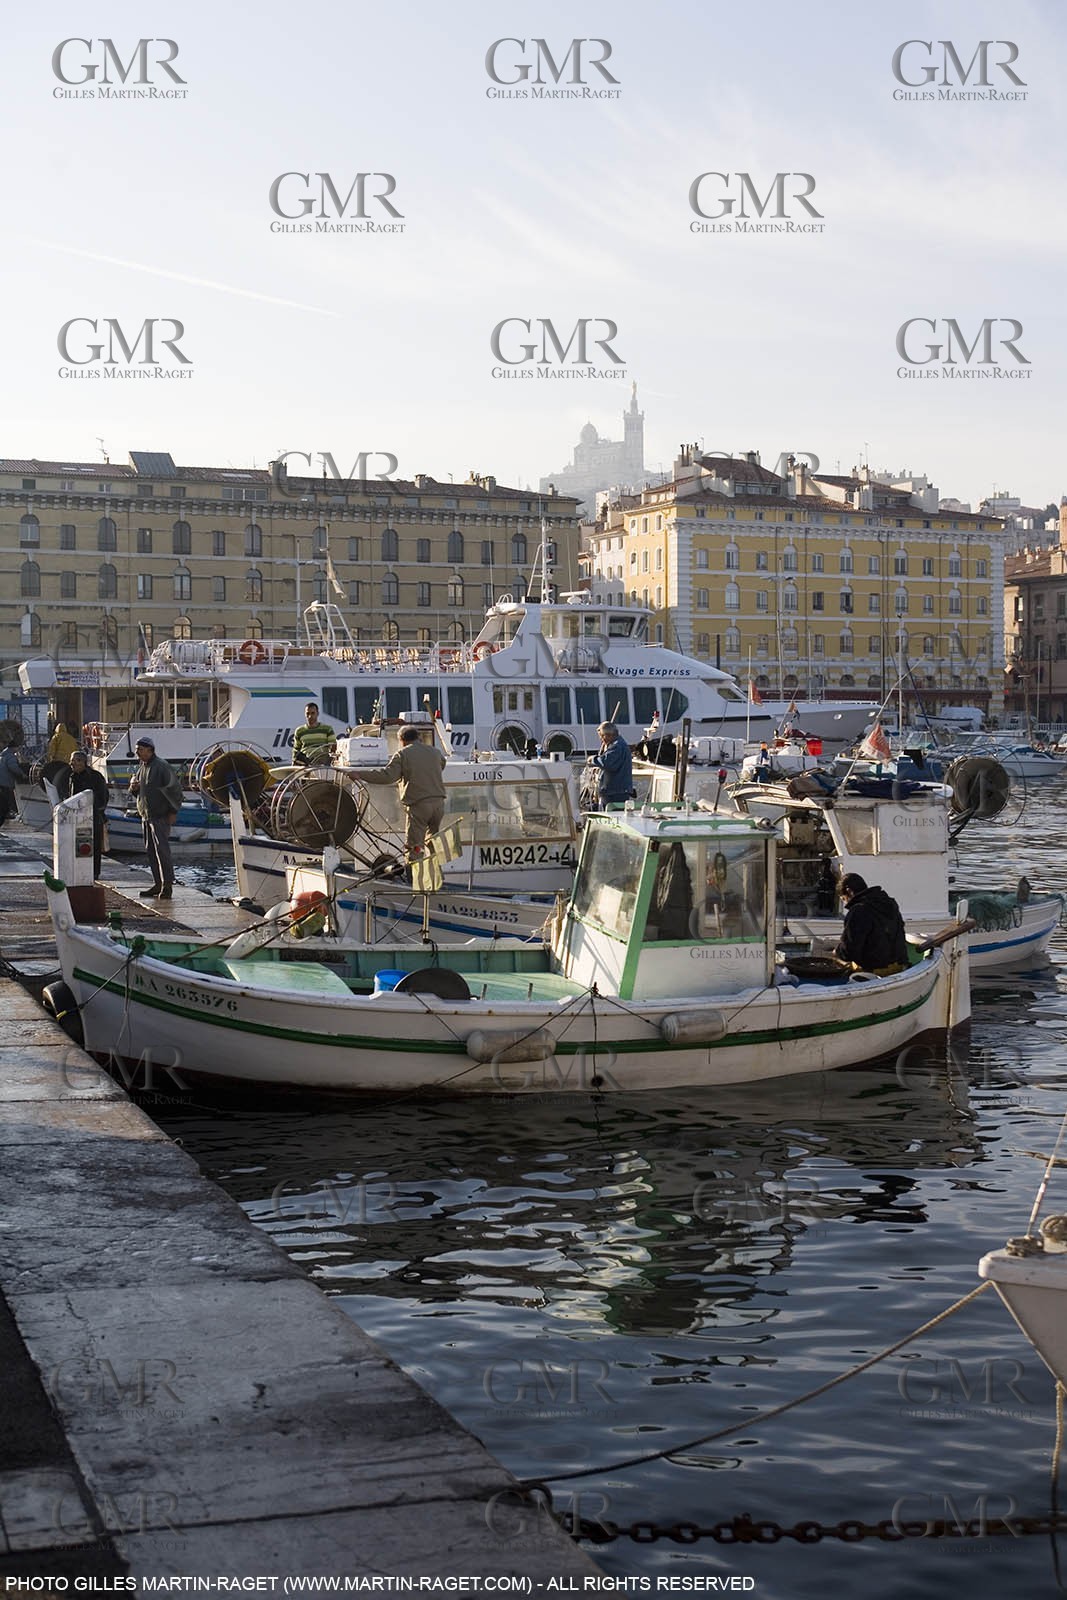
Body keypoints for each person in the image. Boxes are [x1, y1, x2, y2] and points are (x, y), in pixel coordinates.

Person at [361, 725, 447, 858]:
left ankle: (413, 876)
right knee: (433, 841)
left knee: (415, 846)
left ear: (401, 740)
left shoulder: (402, 754)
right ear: (418, 737)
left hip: (419, 807)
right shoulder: (435, 752)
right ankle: (436, 872)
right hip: (439, 805)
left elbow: (387, 776)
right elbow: (442, 763)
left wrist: (360, 774)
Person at [128, 737, 184, 899]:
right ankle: (157, 883)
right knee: (151, 851)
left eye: (140, 749)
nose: (137, 752)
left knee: (162, 851)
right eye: (137, 749)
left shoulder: (161, 766)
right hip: (146, 815)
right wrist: (134, 789)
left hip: (160, 815)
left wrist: (173, 811)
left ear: (150, 750)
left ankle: (167, 886)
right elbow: (139, 791)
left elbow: (175, 790)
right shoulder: (142, 767)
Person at [835, 872, 909, 975]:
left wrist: (837, 951)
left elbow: (849, 952)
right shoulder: (889, 903)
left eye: (844, 899)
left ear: (849, 891)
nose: (846, 903)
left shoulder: (859, 910)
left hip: (874, 971)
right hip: (899, 966)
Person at [62, 750, 110, 880]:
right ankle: (79, 870)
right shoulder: (72, 777)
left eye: (75, 760)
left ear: (83, 762)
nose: (72, 763)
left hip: (92, 817)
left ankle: (94, 873)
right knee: (78, 845)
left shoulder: (95, 776)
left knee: (93, 846)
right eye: (71, 760)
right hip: (76, 817)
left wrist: (95, 810)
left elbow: (103, 797)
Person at [587, 721, 634, 805]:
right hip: (617, 791)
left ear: (608, 735)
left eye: (601, 736)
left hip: (615, 792)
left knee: (613, 815)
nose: (601, 739)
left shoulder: (617, 746)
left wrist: (593, 759)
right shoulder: (619, 745)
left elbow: (607, 763)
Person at [0, 739, 27, 828]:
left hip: (2, 782)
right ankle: (6, 813)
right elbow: (13, 767)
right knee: (5, 803)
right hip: (5, 783)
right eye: (17, 747)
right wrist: (22, 774)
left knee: (2, 802)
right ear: (14, 748)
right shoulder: (11, 756)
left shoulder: (3, 755)